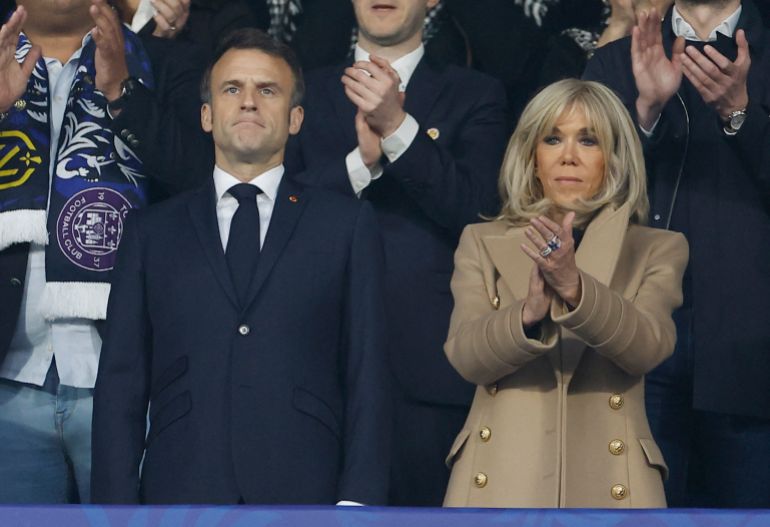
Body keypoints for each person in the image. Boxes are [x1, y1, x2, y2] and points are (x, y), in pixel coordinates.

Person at [90, 28, 390, 505]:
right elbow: (120, 386)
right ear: (206, 116)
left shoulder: (346, 225)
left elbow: (367, 373)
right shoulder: (152, 231)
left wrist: (358, 503)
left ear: (295, 119)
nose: (249, 102)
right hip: (180, 489)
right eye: (233, 89)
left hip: (306, 489)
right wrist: (115, 510)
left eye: (267, 90)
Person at [284, 0, 508, 506]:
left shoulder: (477, 93)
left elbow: (480, 211)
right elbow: (276, 210)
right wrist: (361, 163)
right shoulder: (304, 91)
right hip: (312, 368)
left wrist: (398, 129)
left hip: (427, 374)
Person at [442, 79, 688, 508]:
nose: (568, 155)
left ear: (613, 160)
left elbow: (648, 349)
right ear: (533, 158)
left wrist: (576, 289)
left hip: (613, 485)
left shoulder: (656, 247)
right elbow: (465, 357)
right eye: (553, 138)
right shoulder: (481, 240)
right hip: (499, 480)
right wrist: (528, 313)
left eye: (588, 140)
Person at [583, 0, 770, 508]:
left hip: (750, 355)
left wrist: (740, 114)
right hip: (634, 343)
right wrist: (644, 112)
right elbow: (580, 194)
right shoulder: (617, 61)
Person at [0, 0, 157, 503]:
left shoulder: (159, 61)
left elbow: (196, 177)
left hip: (122, 381)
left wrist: (122, 95)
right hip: (9, 380)